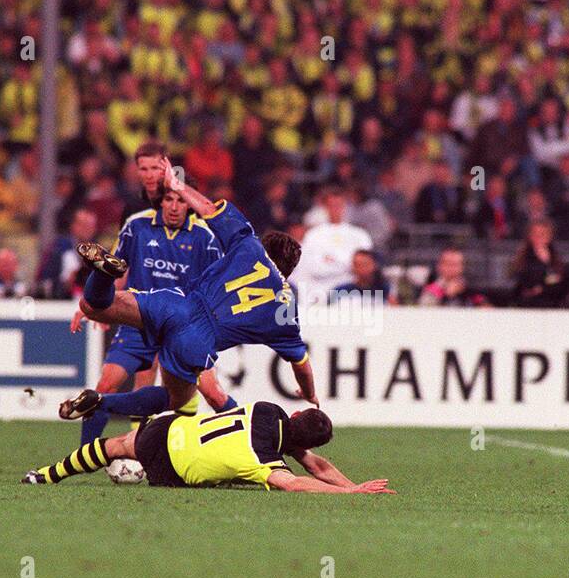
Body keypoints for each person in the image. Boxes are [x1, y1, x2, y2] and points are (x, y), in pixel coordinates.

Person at [71, 157, 316, 418]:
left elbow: (209, 209)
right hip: (196, 341)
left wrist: (177, 186)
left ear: (266, 245)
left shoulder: (250, 245)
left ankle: (103, 274)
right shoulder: (286, 306)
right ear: (289, 270)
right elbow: (301, 364)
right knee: (175, 399)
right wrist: (309, 392)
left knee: (94, 306)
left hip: (175, 303)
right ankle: (101, 402)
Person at [75, 141, 236, 446]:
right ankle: (85, 453)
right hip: (139, 316)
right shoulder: (136, 224)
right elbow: (116, 271)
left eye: (180, 200)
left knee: (197, 394)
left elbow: (215, 285)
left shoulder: (205, 235)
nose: (174, 206)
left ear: (189, 202)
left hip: (180, 324)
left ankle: (147, 447)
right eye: (169, 200)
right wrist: (96, 307)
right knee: (106, 384)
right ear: (161, 201)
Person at [22, 401, 393, 494]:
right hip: (174, 469)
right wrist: (351, 492)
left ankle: (44, 476)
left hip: (170, 429)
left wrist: (351, 486)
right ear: (304, 444)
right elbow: (297, 480)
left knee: (115, 445)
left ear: (294, 413)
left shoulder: (269, 410)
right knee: (250, 478)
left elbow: (315, 464)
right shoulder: (265, 459)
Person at [295, 187, 373, 306]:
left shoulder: (359, 235)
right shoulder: (313, 235)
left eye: (339, 205)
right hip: (319, 288)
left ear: (345, 207)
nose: (335, 209)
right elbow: (313, 266)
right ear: (325, 207)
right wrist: (346, 263)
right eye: (331, 205)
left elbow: (365, 266)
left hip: (350, 290)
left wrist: (334, 261)